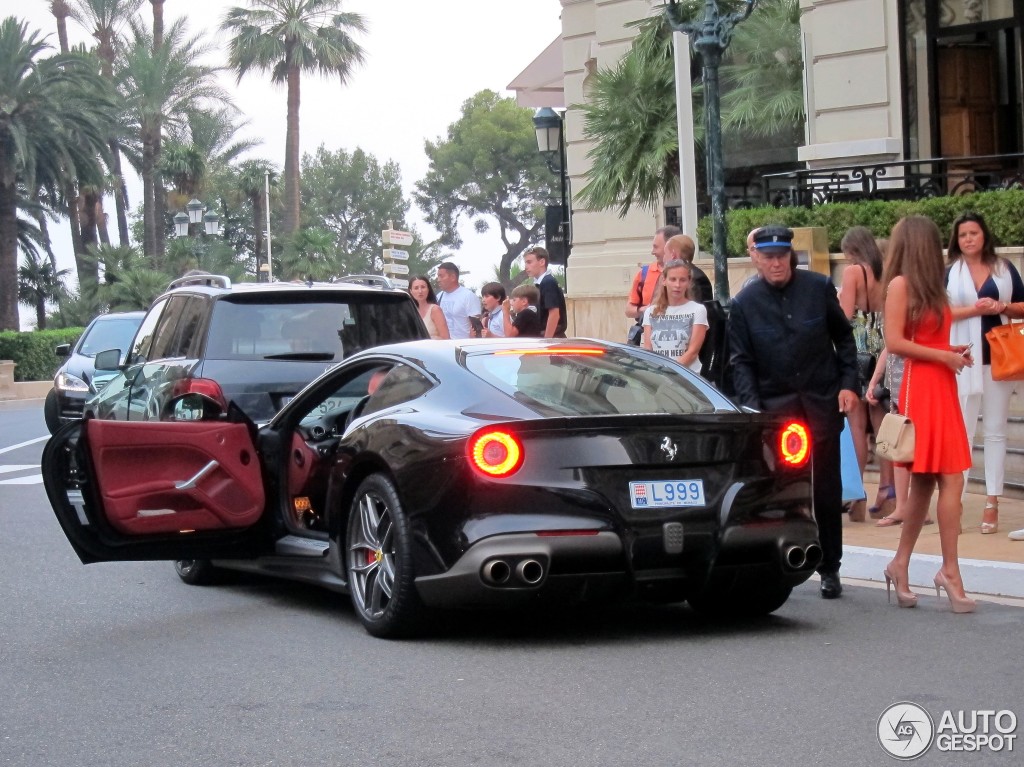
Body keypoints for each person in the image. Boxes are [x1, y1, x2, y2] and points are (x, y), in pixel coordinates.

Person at [728, 225, 859, 599]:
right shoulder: (744, 303)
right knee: (778, 487)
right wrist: (755, 412)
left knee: (827, 488)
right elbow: (742, 363)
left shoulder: (818, 289)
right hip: (776, 410)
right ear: (757, 258)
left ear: (791, 256)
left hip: (821, 402)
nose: (775, 263)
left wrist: (849, 384)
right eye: (768, 257)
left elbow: (844, 340)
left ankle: (830, 565)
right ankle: (778, 558)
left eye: (781, 256)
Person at [880, 215, 976, 613]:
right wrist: (943, 355)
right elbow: (895, 341)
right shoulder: (901, 285)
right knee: (949, 477)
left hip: (940, 384)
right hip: (922, 386)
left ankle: (900, 564)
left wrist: (952, 353)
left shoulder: (931, 289)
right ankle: (949, 571)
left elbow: (931, 339)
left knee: (926, 482)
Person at [946, 211, 1024, 535]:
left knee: (994, 431)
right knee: (961, 432)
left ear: (984, 235)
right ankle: (956, 500)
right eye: (963, 234)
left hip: (999, 357)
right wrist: (975, 309)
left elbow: (1022, 305)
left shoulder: (1003, 268)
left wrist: (1001, 307)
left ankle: (992, 501)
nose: (968, 239)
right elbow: (940, 312)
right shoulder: (950, 273)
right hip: (963, 357)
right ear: (956, 240)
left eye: (974, 233)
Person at [837, 227, 887, 522]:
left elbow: (844, 317)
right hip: (883, 350)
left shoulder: (854, 272)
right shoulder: (886, 271)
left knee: (856, 426)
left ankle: (856, 496)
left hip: (859, 350)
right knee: (883, 427)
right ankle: (888, 492)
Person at [642, 259, 708, 373]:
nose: (677, 285)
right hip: (658, 374)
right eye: (673, 279)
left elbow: (692, 352)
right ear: (664, 280)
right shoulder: (650, 312)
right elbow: (648, 349)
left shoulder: (698, 310)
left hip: (688, 375)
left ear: (688, 282)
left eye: (682, 280)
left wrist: (671, 371)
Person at [625, 225, 680, 329]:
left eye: (656, 247)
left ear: (669, 247)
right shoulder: (644, 274)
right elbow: (628, 310)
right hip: (648, 334)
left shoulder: (689, 275)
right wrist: (648, 309)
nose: (652, 252)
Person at [523, 246, 567, 338]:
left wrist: (546, 341)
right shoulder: (542, 283)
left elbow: (554, 314)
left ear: (542, 262)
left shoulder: (548, 282)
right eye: (525, 263)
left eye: (529, 262)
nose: (526, 267)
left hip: (553, 338)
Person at [435, 262, 480, 340]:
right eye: (438, 276)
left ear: (453, 277)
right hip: (444, 345)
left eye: (441, 276)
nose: (438, 280)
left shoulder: (468, 296)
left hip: (463, 346)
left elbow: (477, 325)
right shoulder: (439, 297)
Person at [664, 233, 713, 302]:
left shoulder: (695, 278)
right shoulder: (695, 274)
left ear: (673, 255)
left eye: (665, 254)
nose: (664, 258)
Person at [408, 275, 450, 340]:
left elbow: (446, 338)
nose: (420, 291)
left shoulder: (435, 310)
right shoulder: (410, 312)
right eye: (416, 288)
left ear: (428, 289)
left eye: (423, 287)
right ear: (411, 291)